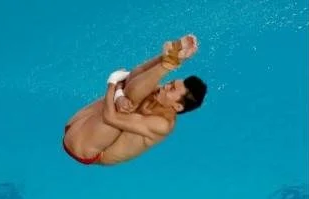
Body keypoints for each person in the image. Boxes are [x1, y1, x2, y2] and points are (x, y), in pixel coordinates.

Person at [63, 35, 208, 165]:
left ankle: (168, 65)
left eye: (171, 89)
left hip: (85, 148)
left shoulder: (162, 124)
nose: (165, 86)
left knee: (130, 100)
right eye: (170, 83)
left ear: (177, 107)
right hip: (79, 122)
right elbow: (137, 72)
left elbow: (110, 117)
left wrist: (113, 84)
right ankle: (168, 59)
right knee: (135, 81)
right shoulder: (158, 93)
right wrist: (120, 91)